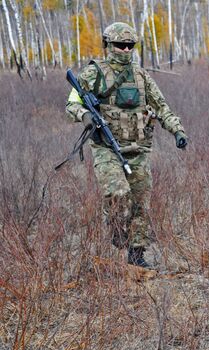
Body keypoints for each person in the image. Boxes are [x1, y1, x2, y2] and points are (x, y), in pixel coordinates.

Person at [65, 22, 188, 268]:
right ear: (108, 45)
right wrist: (85, 116)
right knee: (119, 194)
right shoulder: (94, 73)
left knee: (140, 204)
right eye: (120, 45)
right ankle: (115, 229)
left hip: (138, 150)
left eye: (129, 45)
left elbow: (162, 107)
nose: (125, 49)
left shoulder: (142, 76)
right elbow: (71, 104)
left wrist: (177, 131)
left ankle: (137, 256)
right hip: (106, 148)